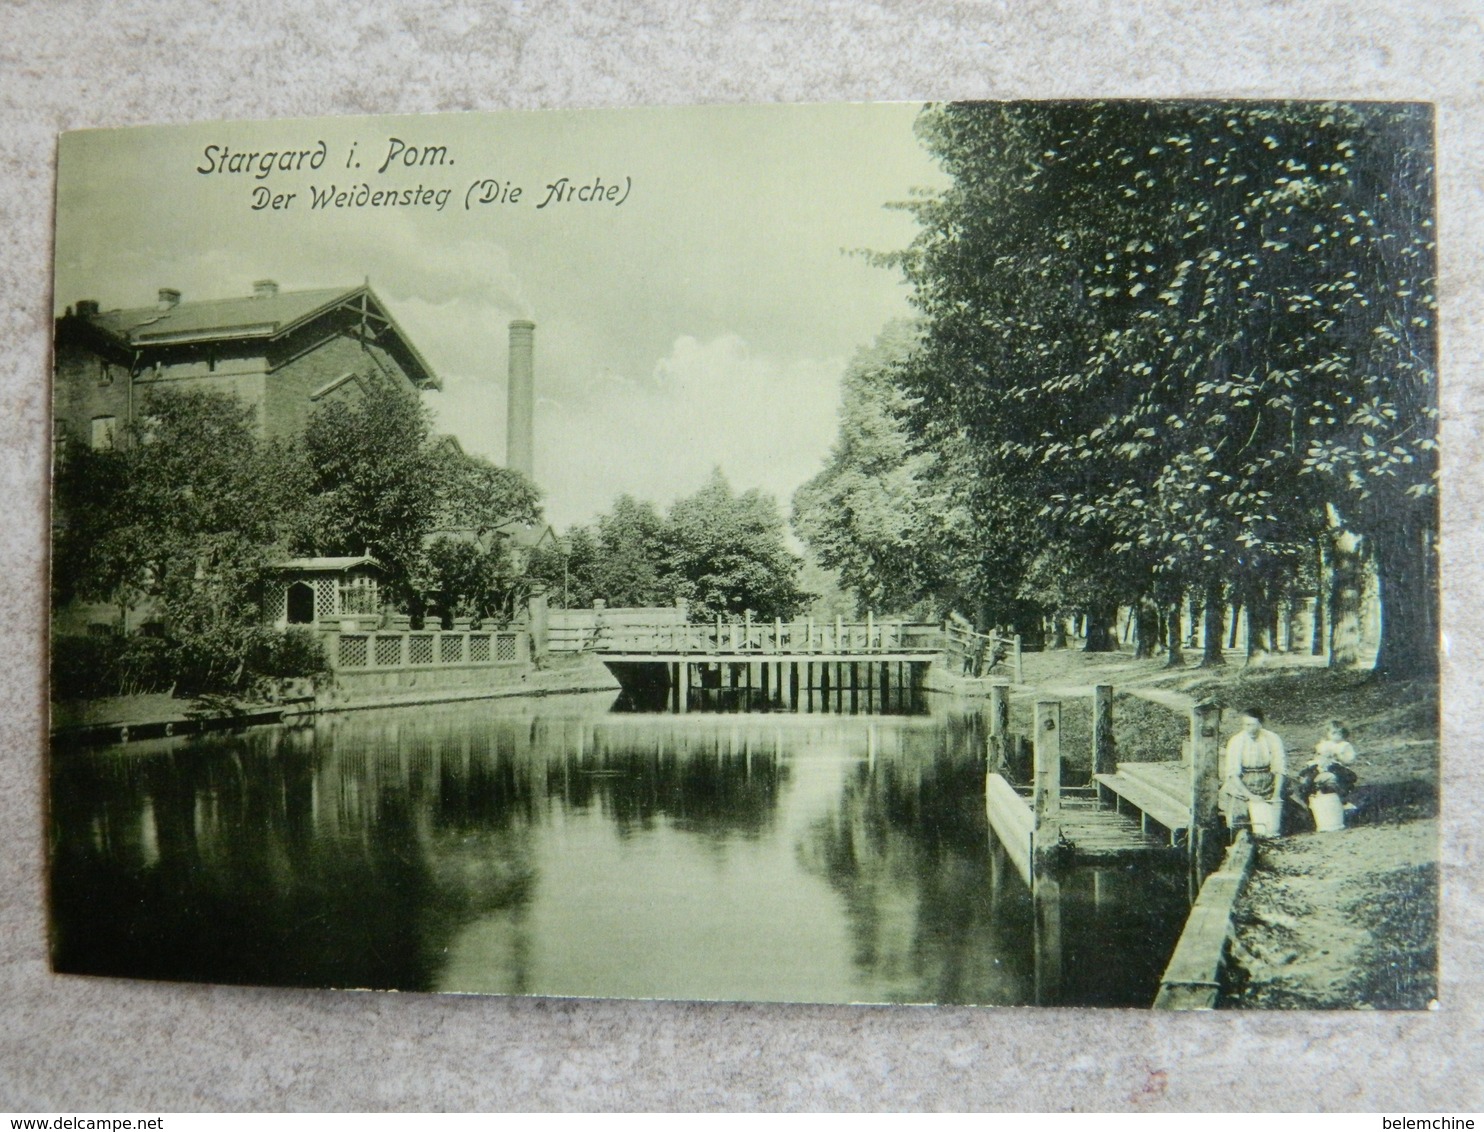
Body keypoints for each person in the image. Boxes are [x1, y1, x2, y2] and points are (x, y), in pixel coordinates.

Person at [1218, 706, 1287, 836]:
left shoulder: (1272, 738)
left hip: (1267, 780)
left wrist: (1276, 794)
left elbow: (1279, 768)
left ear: (1260, 724)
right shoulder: (1237, 741)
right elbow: (1233, 774)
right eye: (1245, 725)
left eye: (1252, 725)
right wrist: (1250, 796)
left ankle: (1270, 833)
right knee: (1239, 815)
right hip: (1244, 781)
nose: (1248, 728)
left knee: (1276, 813)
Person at [1292, 720, 1360, 818]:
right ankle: (1307, 798)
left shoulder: (1344, 745)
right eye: (1333, 733)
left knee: (1336, 779)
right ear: (1328, 734)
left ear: (1344, 734)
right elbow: (1318, 755)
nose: (1337, 736)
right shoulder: (1325, 744)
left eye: (1339, 733)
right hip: (1321, 766)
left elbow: (1349, 759)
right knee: (1309, 776)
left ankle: (1343, 802)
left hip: (1337, 768)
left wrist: (1338, 755)